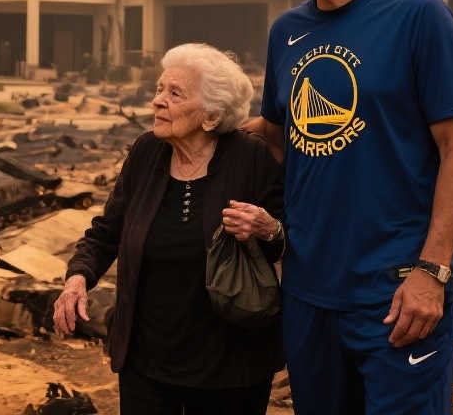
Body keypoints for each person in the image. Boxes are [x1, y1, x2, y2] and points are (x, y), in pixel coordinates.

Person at [245, 0, 453, 415]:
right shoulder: (286, 32)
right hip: (308, 292)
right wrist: (196, 127)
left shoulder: (418, 16)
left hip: (398, 292)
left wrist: (432, 272)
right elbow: (279, 140)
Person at [55, 43, 285, 415]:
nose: (158, 102)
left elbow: (286, 238)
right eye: (159, 90)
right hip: (146, 361)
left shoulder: (250, 158)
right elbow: (107, 229)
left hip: (230, 365)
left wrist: (268, 227)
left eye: (174, 93)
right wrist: (77, 277)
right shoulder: (147, 152)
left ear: (211, 116)